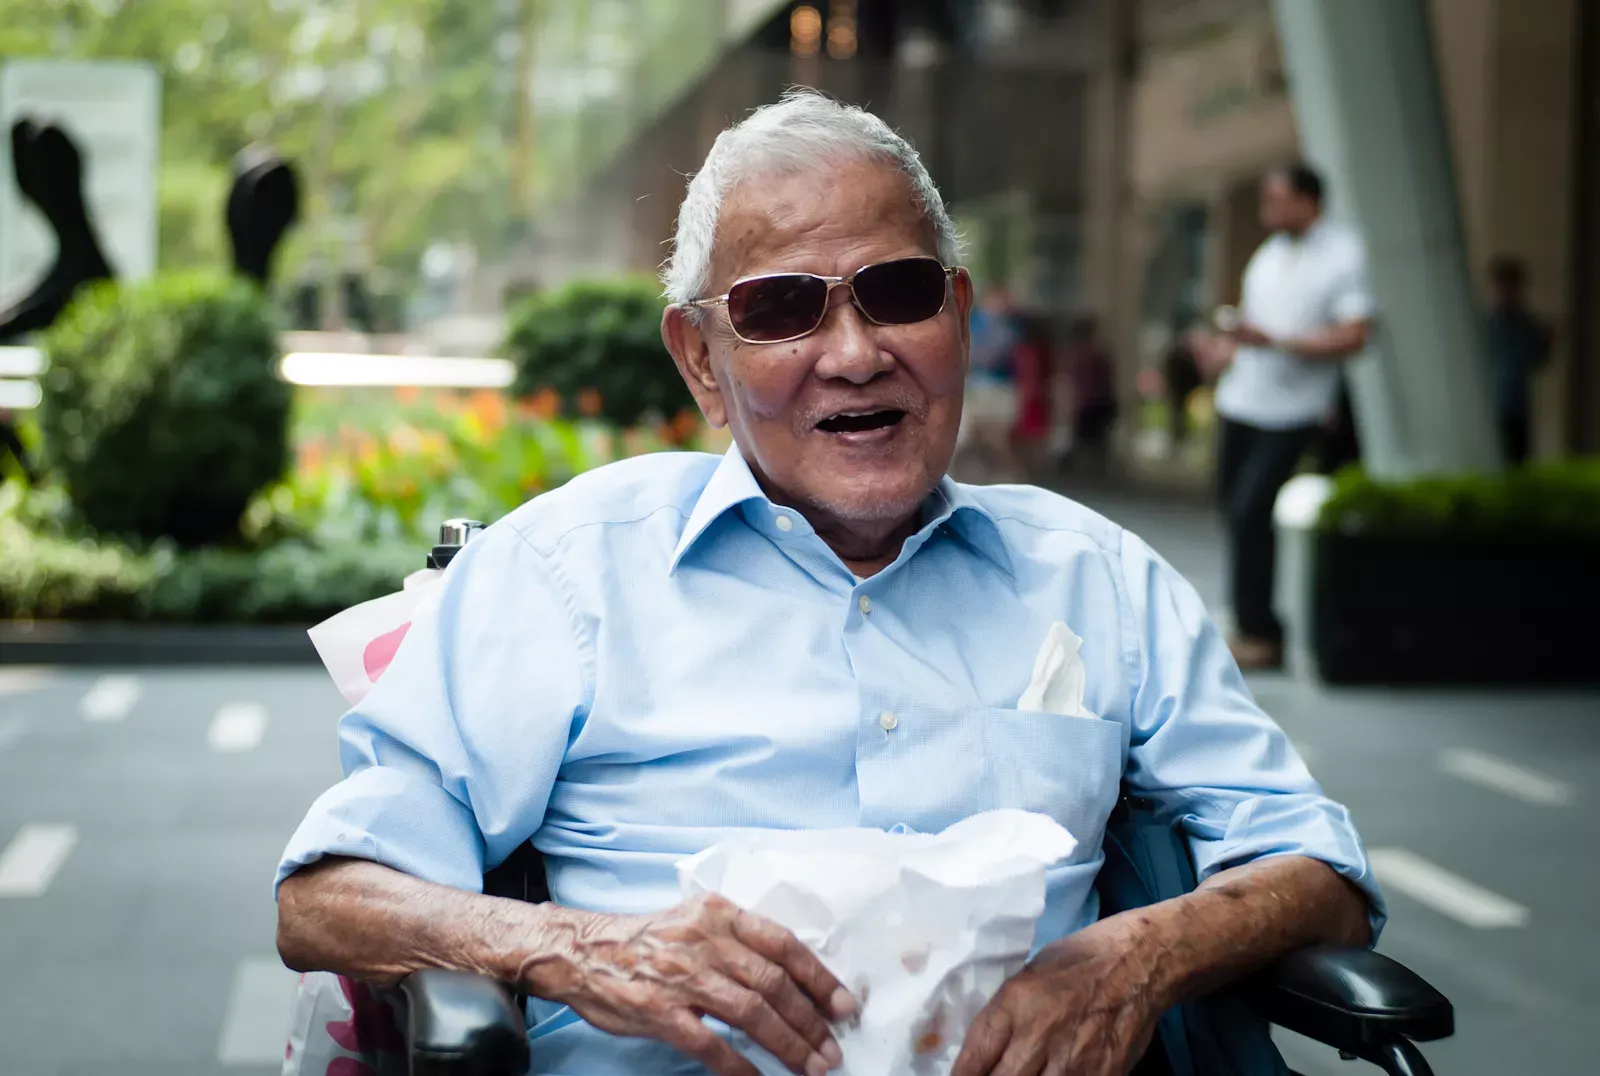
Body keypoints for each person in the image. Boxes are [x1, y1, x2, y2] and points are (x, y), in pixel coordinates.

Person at [276, 94, 1381, 1076]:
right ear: (701, 359)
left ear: (959, 316)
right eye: (780, 309)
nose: (854, 353)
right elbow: (327, 894)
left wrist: (1134, 956)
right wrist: (578, 948)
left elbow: (1318, 867)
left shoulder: (1097, 578)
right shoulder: (570, 573)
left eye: (898, 293)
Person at [1197, 163, 1373, 671]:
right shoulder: (1268, 255)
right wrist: (1222, 351)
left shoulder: (1344, 254)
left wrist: (1278, 343)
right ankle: (1250, 626)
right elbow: (1251, 332)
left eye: (1275, 200)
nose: (1266, 210)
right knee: (1235, 513)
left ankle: (1262, 633)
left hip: (1295, 410)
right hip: (1241, 401)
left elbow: (1356, 335)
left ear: (1307, 199)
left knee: (1253, 510)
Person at [1483, 256, 1552, 465]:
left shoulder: (1526, 325)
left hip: (1517, 406)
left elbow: (1536, 362)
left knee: (1517, 460)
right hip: (1491, 405)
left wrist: (1548, 343)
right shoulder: (1486, 324)